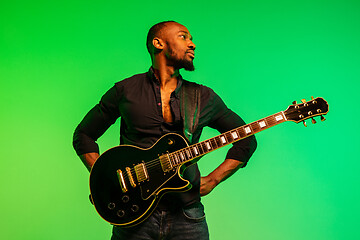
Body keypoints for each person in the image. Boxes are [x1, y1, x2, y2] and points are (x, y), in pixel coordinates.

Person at [73, 21, 257, 240]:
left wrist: (214, 179)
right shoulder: (126, 91)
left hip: (187, 215)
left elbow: (246, 139)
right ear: (158, 43)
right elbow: (84, 135)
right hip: (134, 217)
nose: (193, 44)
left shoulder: (203, 97)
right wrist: (104, 179)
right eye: (184, 37)